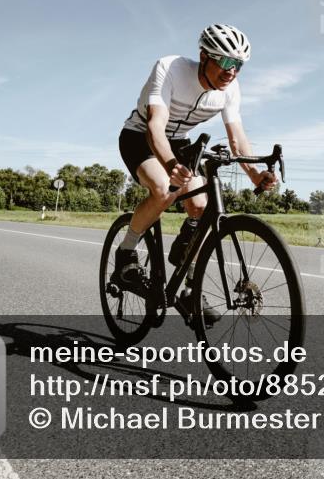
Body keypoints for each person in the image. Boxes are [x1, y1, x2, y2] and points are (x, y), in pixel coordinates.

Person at [114, 24, 277, 323]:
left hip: (181, 142)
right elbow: (155, 127)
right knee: (164, 188)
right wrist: (169, 164)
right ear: (204, 56)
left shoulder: (229, 90)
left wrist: (254, 174)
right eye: (226, 62)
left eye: (238, 65)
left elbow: (237, 137)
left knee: (201, 206)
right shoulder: (171, 68)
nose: (232, 71)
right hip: (140, 135)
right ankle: (125, 253)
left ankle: (187, 281)